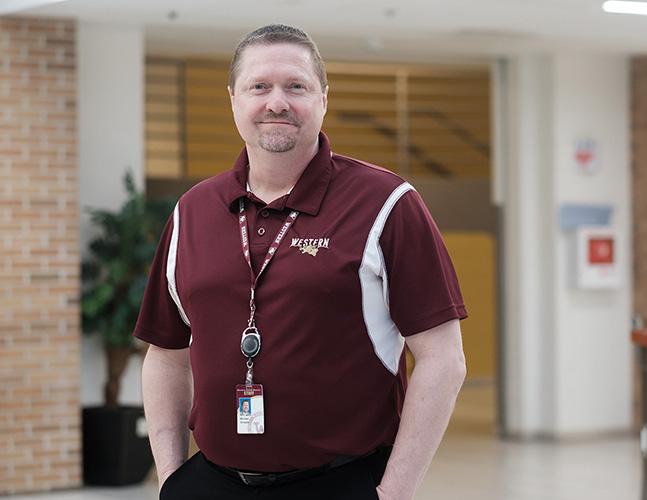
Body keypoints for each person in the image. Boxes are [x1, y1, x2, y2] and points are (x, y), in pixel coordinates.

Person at [135, 23, 467, 500]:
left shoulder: (387, 203)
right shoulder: (192, 211)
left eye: (296, 86)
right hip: (211, 481)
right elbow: (167, 355)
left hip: (342, 480)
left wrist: (392, 492)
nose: (277, 102)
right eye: (259, 86)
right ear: (233, 99)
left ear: (323, 99)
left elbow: (443, 358)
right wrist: (172, 478)